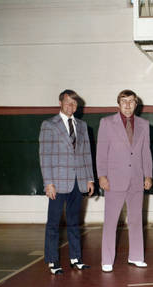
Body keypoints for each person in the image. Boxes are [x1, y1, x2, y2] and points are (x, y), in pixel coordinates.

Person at [39, 89, 94, 275]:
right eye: (68, 103)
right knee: (54, 223)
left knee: (74, 222)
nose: (71, 106)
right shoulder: (49, 125)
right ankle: (52, 260)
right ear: (61, 103)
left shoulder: (82, 125)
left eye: (74, 103)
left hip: (78, 182)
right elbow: (44, 156)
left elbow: (86, 154)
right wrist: (49, 183)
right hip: (58, 182)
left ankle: (76, 258)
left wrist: (89, 179)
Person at [96, 89, 152, 272]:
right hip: (114, 180)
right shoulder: (106, 123)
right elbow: (101, 152)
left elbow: (146, 152)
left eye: (131, 101)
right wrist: (102, 175)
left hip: (137, 179)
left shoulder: (144, 124)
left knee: (136, 219)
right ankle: (107, 259)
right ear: (118, 104)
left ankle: (136, 256)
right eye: (124, 101)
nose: (128, 105)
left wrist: (148, 175)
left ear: (137, 104)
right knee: (111, 220)